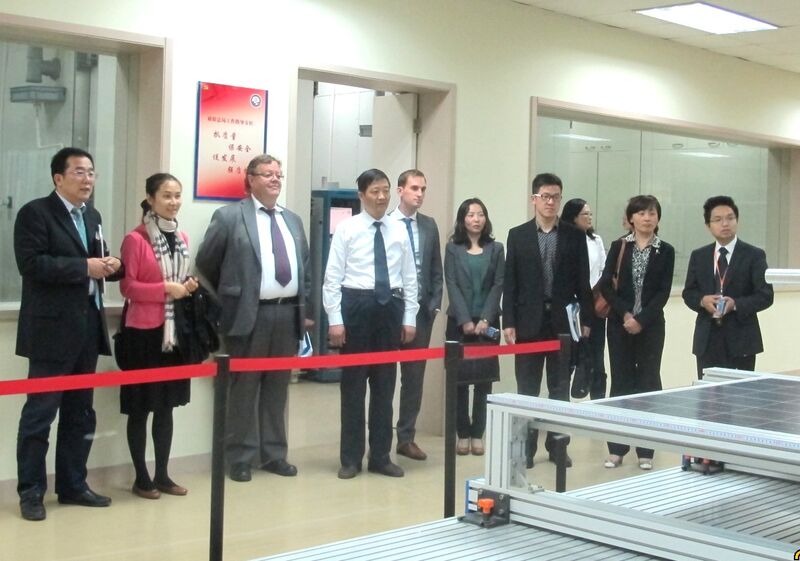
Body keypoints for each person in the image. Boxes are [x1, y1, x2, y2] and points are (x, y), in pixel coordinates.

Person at [14, 147, 123, 521]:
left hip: (87, 327)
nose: (87, 179)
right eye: (79, 172)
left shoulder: (92, 215)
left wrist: (112, 264)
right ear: (58, 178)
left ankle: (73, 485)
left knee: (80, 414)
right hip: (50, 332)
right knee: (40, 416)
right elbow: (31, 264)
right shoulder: (35, 213)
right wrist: (84, 267)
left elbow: (96, 260)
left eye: (91, 172)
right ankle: (31, 492)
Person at [195, 154, 311, 483]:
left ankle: (274, 454)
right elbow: (206, 263)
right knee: (243, 389)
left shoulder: (292, 220)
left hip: (287, 314)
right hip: (248, 315)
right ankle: (240, 457)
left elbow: (304, 265)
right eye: (267, 174)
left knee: (278, 389)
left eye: (278, 174)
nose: (275, 179)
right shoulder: (229, 217)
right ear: (250, 179)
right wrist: (232, 296)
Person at [323, 168, 418, 479]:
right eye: (375, 191)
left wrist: (409, 317)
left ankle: (380, 456)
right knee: (353, 388)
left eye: (385, 190)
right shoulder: (347, 228)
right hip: (356, 307)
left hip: (390, 308)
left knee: (384, 386)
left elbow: (410, 277)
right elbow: (332, 279)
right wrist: (335, 320)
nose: (381, 197)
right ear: (361, 195)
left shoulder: (399, 229)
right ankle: (350, 458)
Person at [503, 173, 593, 469]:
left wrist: (587, 320)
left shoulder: (573, 235)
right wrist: (508, 321)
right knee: (526, 390)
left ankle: (557, 447)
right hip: (527, 323)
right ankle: (525, 450)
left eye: (555, 197)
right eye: (545, 196)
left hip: (562, 324)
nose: (551, 202)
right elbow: (510, 282)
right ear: (534, 199)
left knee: (559, 389)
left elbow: (583, 281)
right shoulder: (518, 235)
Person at [119, 173, 198, 499]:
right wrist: (166, 288)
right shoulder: (135, 239)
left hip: (172, 334)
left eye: (177, 195)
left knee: (166, 407)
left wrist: (186, 287)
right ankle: (142, 478)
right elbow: (128, 287)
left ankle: (163, 474)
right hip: (143, 335)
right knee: (141, 408)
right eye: (166, 195)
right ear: (151, 199)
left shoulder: (182, 237)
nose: (173, 202)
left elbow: (180, 281)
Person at [600, 195, 674, 471]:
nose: (647, 218)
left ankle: (646, 450)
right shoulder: (619, 246)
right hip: (619, 325)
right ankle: (616, 449)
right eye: (641, 213)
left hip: (651, 326)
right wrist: (626, 315)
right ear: (631, 218)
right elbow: (606, 286)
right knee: (620, 383)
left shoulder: (665, 250)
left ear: (658, 218)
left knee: (648, 383)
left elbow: (662, 293)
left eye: (652, 213)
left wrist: (641, 320)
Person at [682, 196, 773, 379]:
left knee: (740, 393)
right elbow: (689, 293)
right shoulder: (699, 256)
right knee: (708, 393)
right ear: (708, 226)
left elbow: (765, 295)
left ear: (737, 221)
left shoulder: (754, 255)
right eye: (718, 219)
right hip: (707, 339)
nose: (725, 224)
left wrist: (735, 304)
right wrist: (702, 301)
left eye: (730, 218)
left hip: (742, 339)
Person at [390, 169, 443, 462]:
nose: (419, 194)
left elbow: (436, 269)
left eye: (423, 189)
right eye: (414, 188)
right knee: (384, 377)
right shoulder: (385, 223)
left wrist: (433, 305)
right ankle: (380, 437)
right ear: (400, 190)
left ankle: (406, 437)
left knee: (413, 378)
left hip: (422, 312)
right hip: (391, 310)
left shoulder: (429, 225)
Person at [444, 198, 504, 456]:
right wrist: (465, 320)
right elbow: (452, 283)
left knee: (484, 381)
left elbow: (498, 284)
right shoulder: (452, 249)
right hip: (459, 323)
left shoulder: (497, 248)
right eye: (470, 215)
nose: (476, 219)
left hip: (487, 325)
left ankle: (478, 433)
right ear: (463, 219)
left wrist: (486, 319)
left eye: (480, 214)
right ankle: (463, 433)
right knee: (459, 381)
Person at [561, 198, 607, 399]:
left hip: (593, 305)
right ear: (573, 217)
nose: (589, 217)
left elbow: (604, 269)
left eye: (590, 214)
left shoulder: (595, 240)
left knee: (596, 357)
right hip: (571, 307)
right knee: (568, 358)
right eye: (584, 214)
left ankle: (598, 401)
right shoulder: (564, 239)